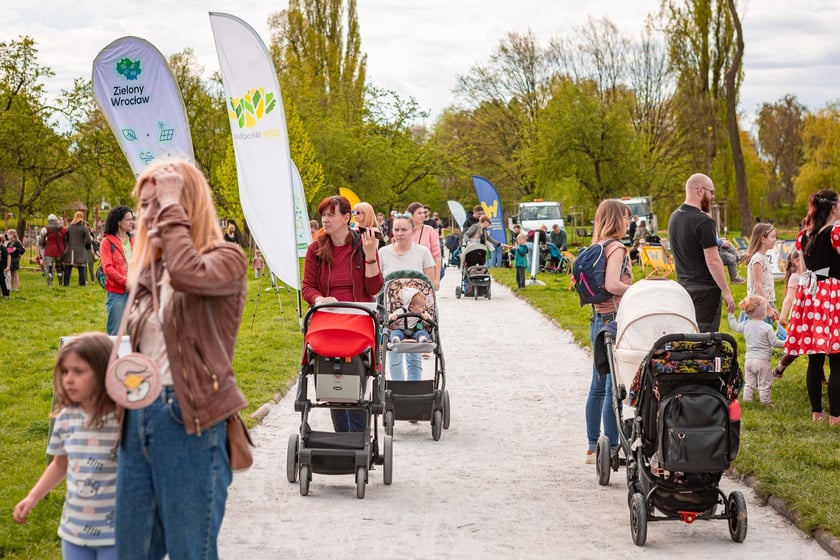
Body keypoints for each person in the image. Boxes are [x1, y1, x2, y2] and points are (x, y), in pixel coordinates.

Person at [115, 160, 249, 559]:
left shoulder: (227, 258)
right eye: (143, 206)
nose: (148, 215)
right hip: (137, 415)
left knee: (190, 550)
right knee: (132, 552)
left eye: (159, 203)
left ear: (184, 203)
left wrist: (171, 219)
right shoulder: (151, 270)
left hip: (189, 418)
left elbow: (191, 275)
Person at [14, 332, 118, 560]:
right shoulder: (65, 418)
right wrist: (33, 497)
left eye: (78, 371)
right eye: (64, 372)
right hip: (74, 530)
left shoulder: (124, 419)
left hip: (117, 535)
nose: (68, 379)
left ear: (104, 372)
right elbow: (60, 464)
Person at [302, 195, 383, 430]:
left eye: (331, 215)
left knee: (354, 371)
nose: (325, 220)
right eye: (323, 215)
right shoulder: (316, 248)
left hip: (358, 316)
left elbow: (374, 288)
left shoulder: (364, 245)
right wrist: (319, 299)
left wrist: (370, 256)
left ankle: (358, 435)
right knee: (331, 369)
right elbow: (307, 286)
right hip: (327, 315)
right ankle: (343, 434)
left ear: (346, 218)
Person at [783, 189, 840, 426]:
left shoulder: (804, 236)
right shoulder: (836, 233)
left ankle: (817, 413)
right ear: (834, 208)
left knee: (815, 359)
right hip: (834, 295)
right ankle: (836, 417)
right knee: (837, 360)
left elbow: (804, 270)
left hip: (812, 296)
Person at [585, 200, 633, 464]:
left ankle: (593, 446)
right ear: (618, 219)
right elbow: (612, 283)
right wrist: (638, 289)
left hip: (597, 317)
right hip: (613, 319)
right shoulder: (616, 248)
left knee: (597, 384)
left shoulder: (596, 246)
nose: (628, 223)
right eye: (625, 218)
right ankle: (612, 447)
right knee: (611, 387)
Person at [668, 173, 735, 332]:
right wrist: (726, 292)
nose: (712, 197)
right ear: (700, 190)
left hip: (683, 288)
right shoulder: (704, 221)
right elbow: (713, 260)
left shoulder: (674, 217)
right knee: (705, 341)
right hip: (705, 291)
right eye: (711, 192)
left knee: (688, 336)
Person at [378, 213, 435, 381]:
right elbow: (377, 284)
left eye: (404, 229)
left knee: (414, 356)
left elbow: (430, 285)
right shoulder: (383, 253)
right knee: (394, 355)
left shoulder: (422, 252)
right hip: (393, 311)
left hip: (415, 312)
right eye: (396, 229)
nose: (400, 233)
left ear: (413, 230)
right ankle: (397, 390)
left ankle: (414, 389)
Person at [728, 295, 785, 407]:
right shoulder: (767, 327)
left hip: (749, 360)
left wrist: (730, 314)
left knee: (749, 383)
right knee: (764, 384)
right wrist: (788, 343)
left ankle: (747, 401)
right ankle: (766, 403)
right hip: (763, 361)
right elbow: (774, 343)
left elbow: (734, 326)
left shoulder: (746, 324)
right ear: (763, 313)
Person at [100, 206, 134, 336]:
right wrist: (126, 282)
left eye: (132, 219)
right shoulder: (107, 242)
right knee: (115, 333)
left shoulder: (134, 241)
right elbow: (108, 268)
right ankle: (112, 356)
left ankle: (133, 356)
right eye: (128, 219)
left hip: (135, 293)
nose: (132, 222)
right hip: (117, 294)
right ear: (119, 222)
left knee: (135, 333)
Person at [774, 249, 807, 379]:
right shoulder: (795, 278)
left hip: (808, 316)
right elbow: (789, 298)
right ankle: (778, 370)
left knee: (815, 348)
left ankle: (821, 378)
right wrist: (782, 316)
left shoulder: (806, 276)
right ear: (797, 262)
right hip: (799, 317)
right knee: (796, 347)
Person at [744, 223, 779, 321]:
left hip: (765, 305)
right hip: (758, 308)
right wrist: (768, 308)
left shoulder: (764, 258)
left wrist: (773, 307)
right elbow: (758, 286)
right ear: (763, 239)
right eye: (772, 237)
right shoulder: (757, 259)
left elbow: (765, 287)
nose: (775, 239)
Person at [408, 202, 442, 290]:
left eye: (424, 213)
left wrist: (436, 279)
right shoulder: (405, 231)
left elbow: (437, 256)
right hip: (408, 272)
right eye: (419, 213)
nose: (423, 215)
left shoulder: (430, 230)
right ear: (411, 215)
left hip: (426, 273)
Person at [62, 211, 93, 287]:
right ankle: (82, 285)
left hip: (69, 250)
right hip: (80, 250)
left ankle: (66, 284)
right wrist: (87, 248)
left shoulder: (69, 227)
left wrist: (67, 246)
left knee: (68, 268)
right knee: (81, 268)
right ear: (82, 217)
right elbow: (88, 241)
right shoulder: (84, 228)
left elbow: (65, 239)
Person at [40, 213, 66, 287]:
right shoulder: (62, 228)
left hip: (49, 251)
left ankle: (50, 285)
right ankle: (60, 284)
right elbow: (66, 238)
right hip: (60, 251)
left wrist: (44, 244)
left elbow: (41, 241)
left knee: (49, 268)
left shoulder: (45, 228)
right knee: (59, 268)